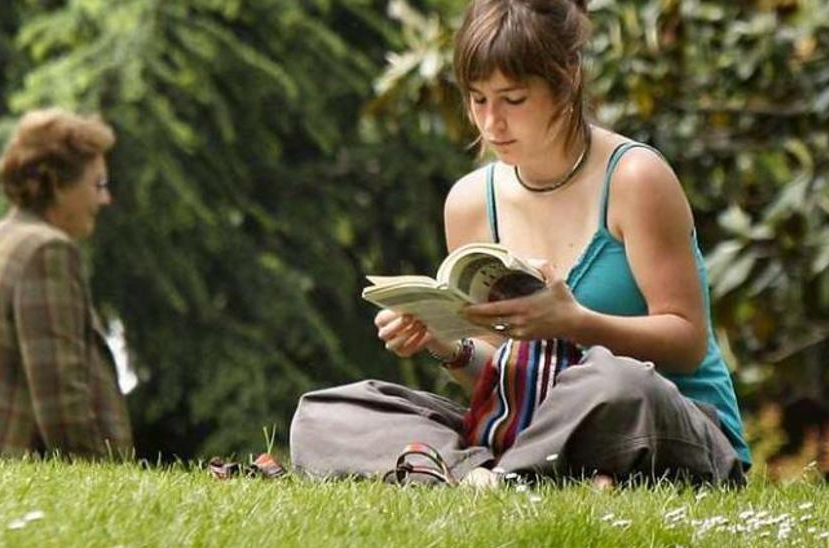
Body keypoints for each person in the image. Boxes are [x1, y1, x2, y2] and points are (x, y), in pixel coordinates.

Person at [291, 0, 750, 486]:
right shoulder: (470, 201)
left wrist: (577, 323)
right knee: (325, 413)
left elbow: (687, 344)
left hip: (657, 423)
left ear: (567, 78)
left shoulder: (636, 178)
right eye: (478, 99)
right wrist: (446, 346)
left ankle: (481, 476)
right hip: (529, 428)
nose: (492, 123)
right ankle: (488, 479)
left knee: (618, 382)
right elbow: (501, 377)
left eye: (513, 100)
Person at [0, 108, 132, 459]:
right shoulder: (46, 251)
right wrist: (106, 483)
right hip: (23, 476)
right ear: (56, 184)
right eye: (97, 184)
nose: (104, 199)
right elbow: (61, 400)